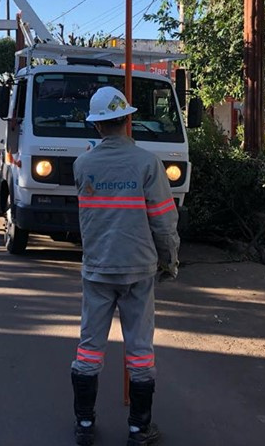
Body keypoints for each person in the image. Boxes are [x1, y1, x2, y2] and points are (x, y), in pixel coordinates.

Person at [69, 86, 179, 446]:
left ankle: (84, 426)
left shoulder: (83, 164)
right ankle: (138, 429)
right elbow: (163, 221)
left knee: (89, 347)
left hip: (98, 269)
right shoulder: (147, 163)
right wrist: (169, 261)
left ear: (97, 126)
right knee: (140, 348)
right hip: (138, 269)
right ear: (128, 120)